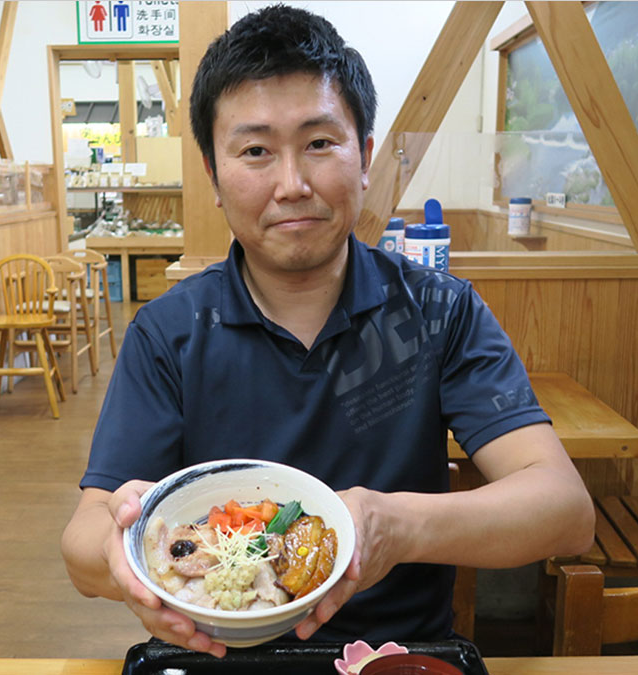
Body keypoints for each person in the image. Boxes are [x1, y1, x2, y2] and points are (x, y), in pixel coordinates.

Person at [61, 4, 594, 659]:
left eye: (319, 143)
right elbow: (84, 539)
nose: (292, 184)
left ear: (364, 158)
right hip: (222, 657)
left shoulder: (438, 310)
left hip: (400, 657)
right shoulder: (169, 333)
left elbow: (565, 509)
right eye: (255, 151)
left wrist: (397, 525)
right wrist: (123, 562)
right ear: (214, 176)